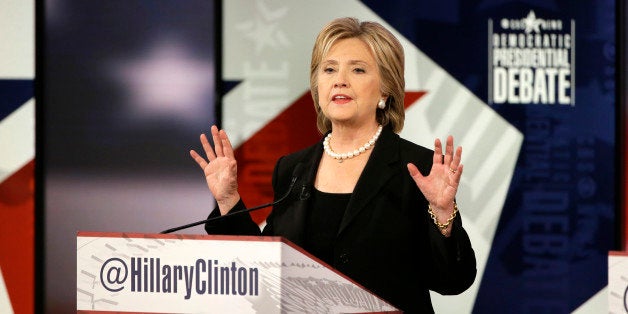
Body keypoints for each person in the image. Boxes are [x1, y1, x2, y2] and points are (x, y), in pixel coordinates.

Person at [190, 17, 476, 313]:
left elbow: (452, 281)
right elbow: (265, 272)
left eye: (358, 69)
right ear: (318, 85)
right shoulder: (291, 169)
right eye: (329, 69)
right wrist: (228, 200)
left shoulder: (418, 168)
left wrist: (443, 214)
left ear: (385, 90)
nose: (340, 79)